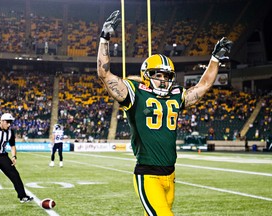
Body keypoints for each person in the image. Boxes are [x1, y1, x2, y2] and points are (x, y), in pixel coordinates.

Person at [97, 10, 233, 216]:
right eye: (157, 75)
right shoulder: (135, 93)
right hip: (148, 174)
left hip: (171, 175)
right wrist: (104, 38)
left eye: (166, 75)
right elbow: (104, 74)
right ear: (146, 75)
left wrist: (214, 59)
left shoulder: (176, 96)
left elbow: (203, 86)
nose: (163, 79)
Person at [0, 113, 33, 203]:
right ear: (1, 121)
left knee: (15, 175)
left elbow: (13, 146)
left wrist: (14, 156)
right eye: (7, 122)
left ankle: (23, 196)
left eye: (10, 122)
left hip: (2, 156)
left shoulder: (10, 132)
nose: (9, 124)